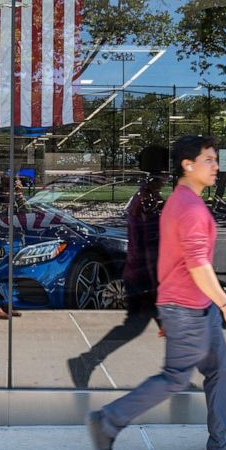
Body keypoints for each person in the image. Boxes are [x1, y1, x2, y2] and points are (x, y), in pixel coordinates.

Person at [85, 135, 226, 450]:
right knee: (175, 378)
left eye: (215, 159)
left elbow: (170, 259)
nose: (215, 166)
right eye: (209, 159)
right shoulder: (191, 209)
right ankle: (107, 422)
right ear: (188, 164)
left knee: (218, 368)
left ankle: (221, 439)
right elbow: (198, 264)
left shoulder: (179, 202)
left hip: (195, 307)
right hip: (190, 308)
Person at [67, 145, 168, 388]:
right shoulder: (151, 201)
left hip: (140, 274)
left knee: (139, 327)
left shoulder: (140, 197)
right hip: (148, 277)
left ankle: (86, 361)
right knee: (158, 328)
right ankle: (177, 375)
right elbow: (151, 244)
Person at [0, 175, 25, 320]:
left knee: (12, 275)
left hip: (13, 240)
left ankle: (8, 305)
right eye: (9, 187)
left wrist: (20, 196)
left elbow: (27, 212)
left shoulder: (15, 199)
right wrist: (7, 202)